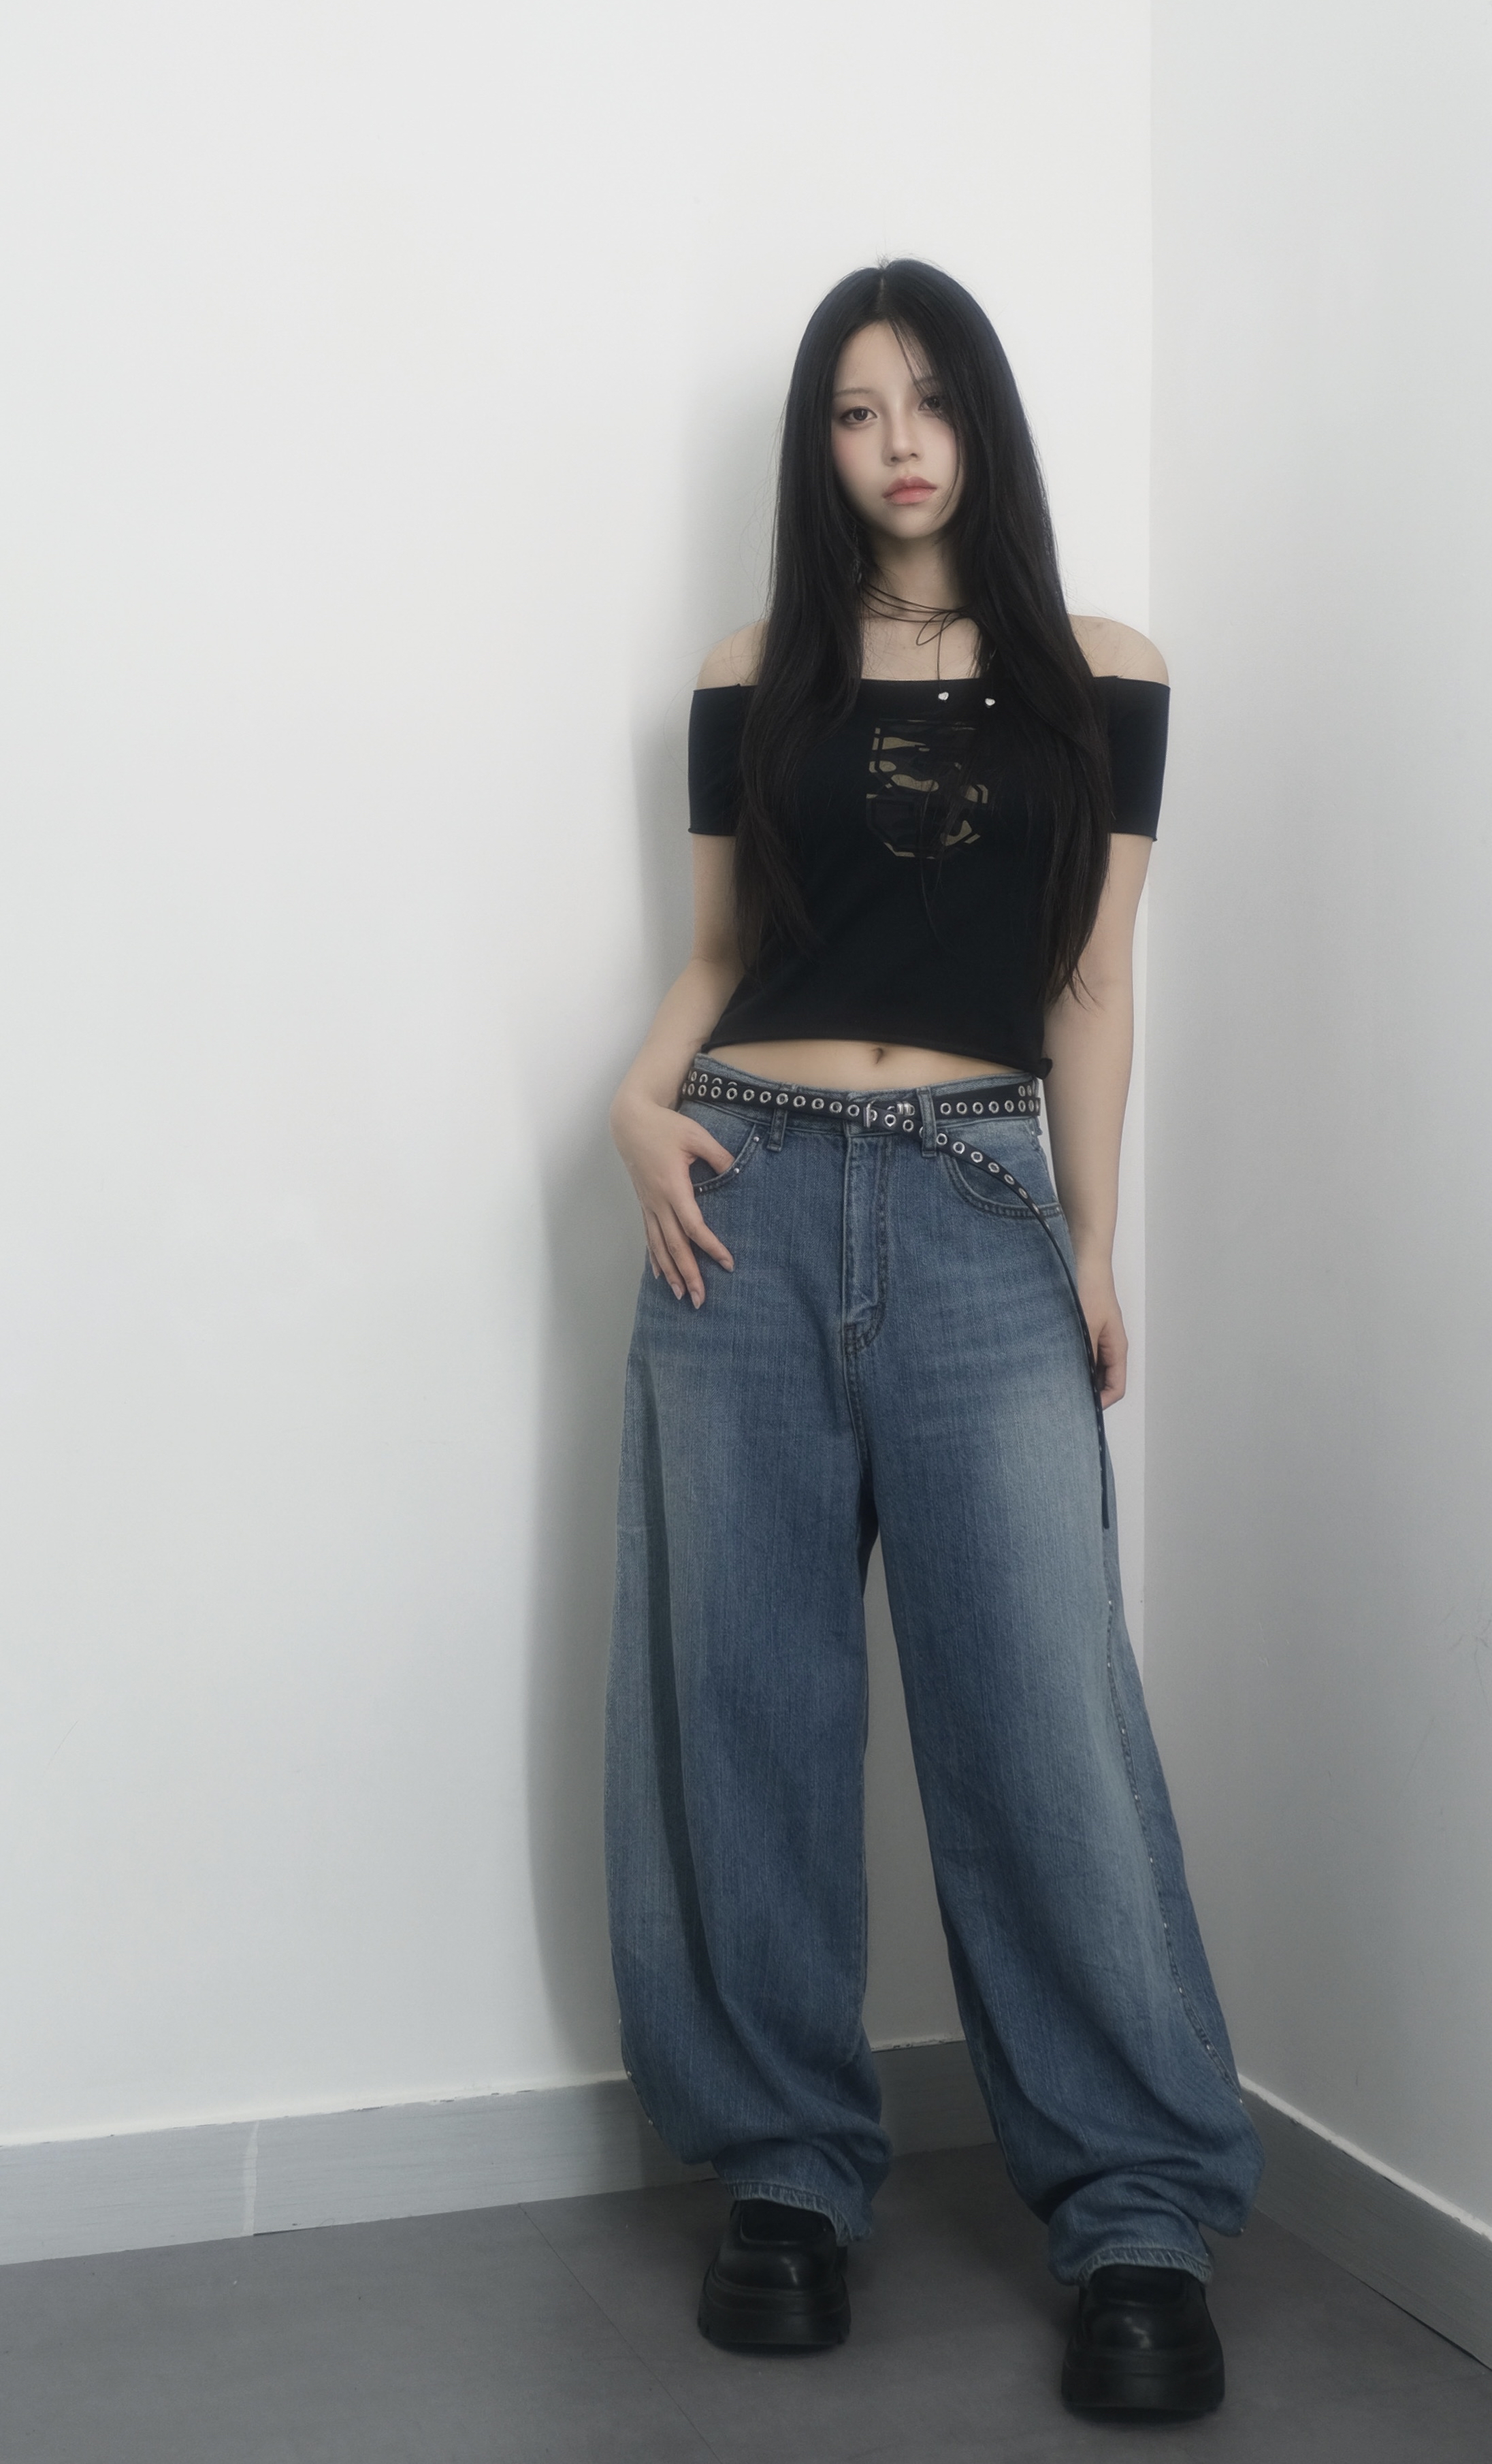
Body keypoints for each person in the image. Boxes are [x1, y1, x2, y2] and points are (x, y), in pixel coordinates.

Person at [605, 259, 1262, 2419]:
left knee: (1038, 1713)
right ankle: (785, 2172)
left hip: (980, 1203)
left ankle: (1135, 2207)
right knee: (747, 1699)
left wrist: (1088, 1240)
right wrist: (634, 1099)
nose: (897, 443)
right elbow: (717, 948)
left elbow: (1090, 977)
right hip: (742, 1198)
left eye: (931, 399)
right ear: (818, 445)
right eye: (853, 407)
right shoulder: (751, 676)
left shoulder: (1102, 673)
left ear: (983, 420)